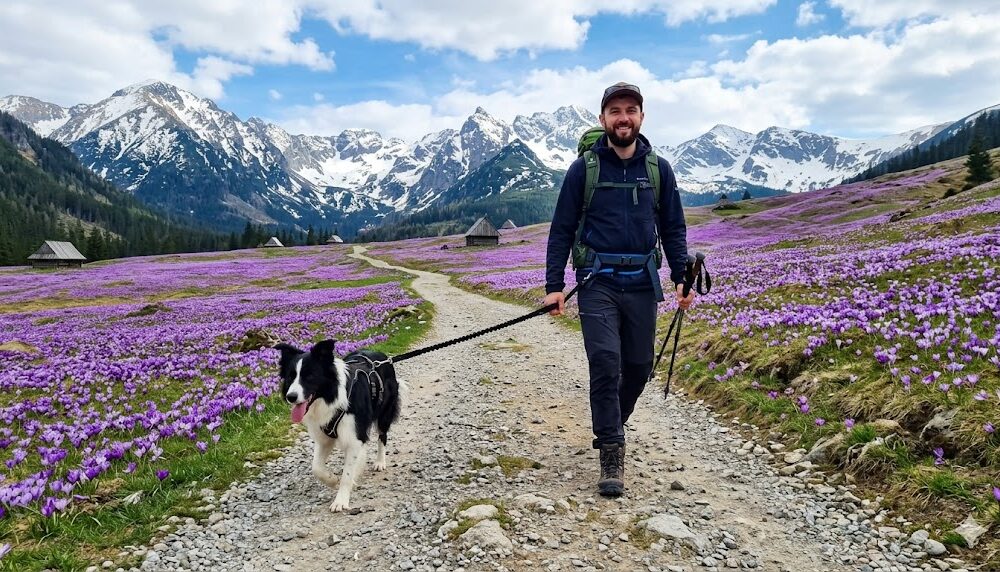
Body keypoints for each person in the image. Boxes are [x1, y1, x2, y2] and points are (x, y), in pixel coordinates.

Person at [543, 82, 694, 497]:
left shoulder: (659, 170)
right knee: (606, 361)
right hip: (597, 282)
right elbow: (562, 229)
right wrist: (554, 285)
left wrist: (681, 276)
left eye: (630, 110)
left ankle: (612, 422)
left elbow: (673, 227)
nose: (623, 118)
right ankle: (611, 449)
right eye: (615, 111)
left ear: (641, 117)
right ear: (603, 119)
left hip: (643, 283)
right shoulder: (584, 169)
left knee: (640, 366)